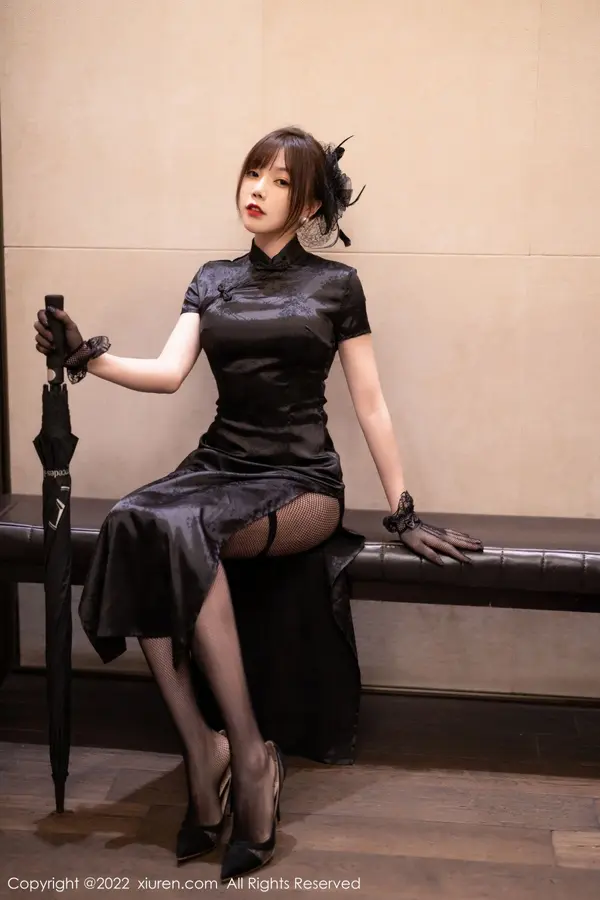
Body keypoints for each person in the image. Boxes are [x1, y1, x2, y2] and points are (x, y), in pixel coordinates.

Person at [34, 126, 483, 879]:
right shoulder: (212, 279)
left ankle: (249, 757)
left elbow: (370, 403)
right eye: (252, 173)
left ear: (306, 204)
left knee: (186, 532)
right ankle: (203, 748)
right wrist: (86, 356)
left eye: (278, 181)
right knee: (139, 521)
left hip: (301, 480)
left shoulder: (337, 285)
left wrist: (402, 508)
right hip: (219, 466)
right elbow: (169, 373)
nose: (257, 189)